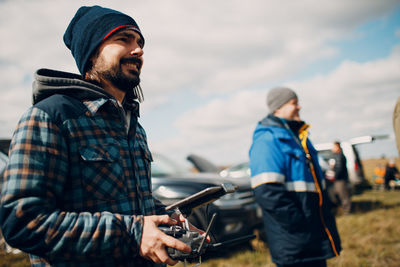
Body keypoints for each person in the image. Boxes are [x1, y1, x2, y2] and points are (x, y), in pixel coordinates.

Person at [0, 5, 203, 266]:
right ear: (92, 51)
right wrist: (133, 233)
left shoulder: (133, 126)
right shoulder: (51, 117)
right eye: (123, 39)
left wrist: (167, 218)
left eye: (140, 42)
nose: (139, 49)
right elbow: (22, 222)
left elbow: (131, 201)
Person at [249, 87, 341, 267]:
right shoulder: (268, 140)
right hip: (295, 242)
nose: (299, 107)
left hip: (311, 237)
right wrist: (301, 226)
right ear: (278, 108)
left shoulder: (298, 138)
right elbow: (268, 192)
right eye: (294, 103)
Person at [330, 141, 352, 214]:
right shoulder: (337, 156)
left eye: (334, 147)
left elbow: (339, 169)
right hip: (338, 179)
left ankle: (347, 211)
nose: (332, 149)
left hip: (340, 180)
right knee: (337, 195)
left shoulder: (340, 156)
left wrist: (334, 176)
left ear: (338, 147)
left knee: (344, 196)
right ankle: (342, 209)